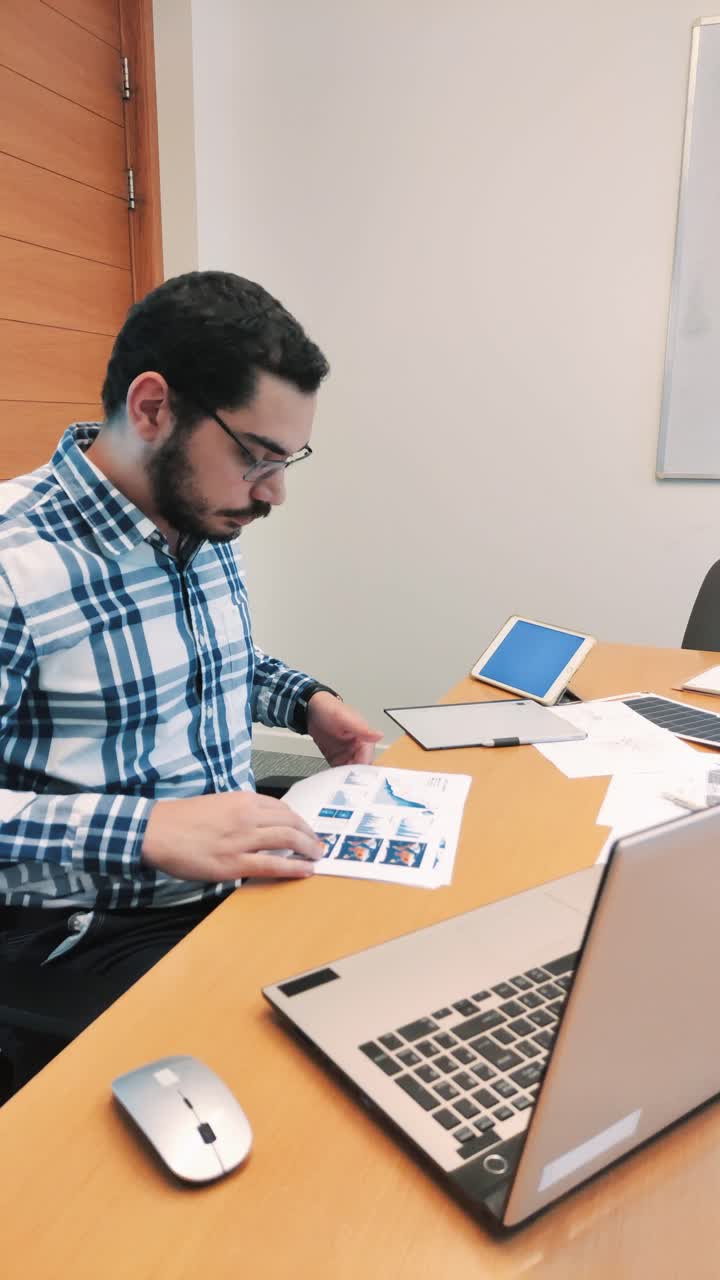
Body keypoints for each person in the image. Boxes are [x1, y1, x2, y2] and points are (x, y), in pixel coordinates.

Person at [0, 271, 381, 1084]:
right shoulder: (13, 563)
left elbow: (200, 664)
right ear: (152, 409)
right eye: (256, 458)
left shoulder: (197, 518)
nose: (275, 493)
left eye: (287, 461)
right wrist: (143, 829)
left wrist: (305, 701)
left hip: (234, 880)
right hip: (89, 934)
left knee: (400, 977)